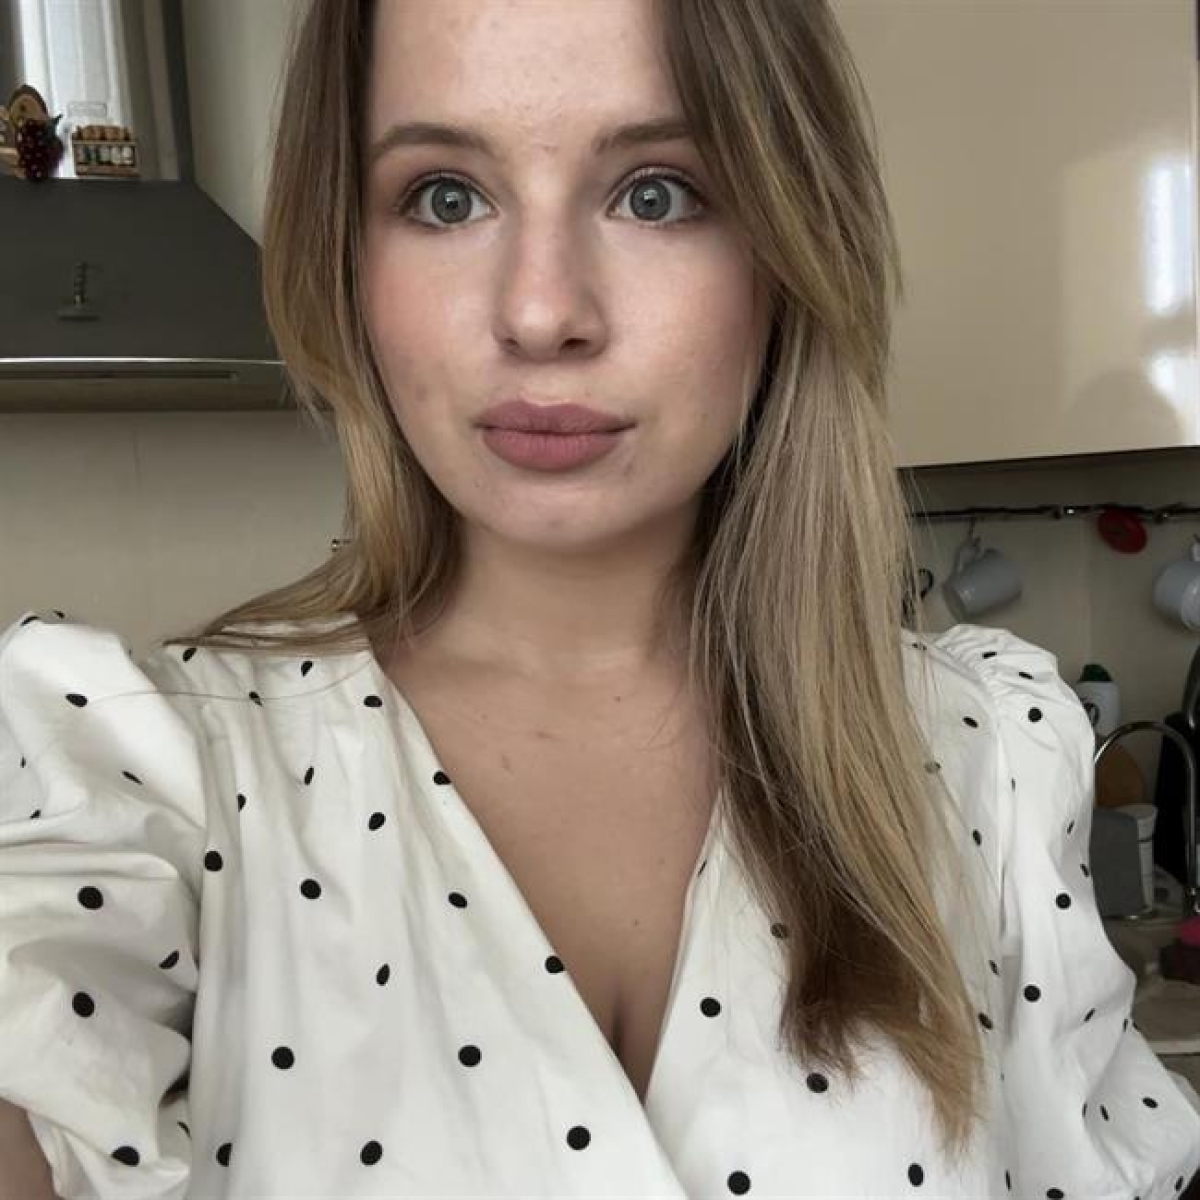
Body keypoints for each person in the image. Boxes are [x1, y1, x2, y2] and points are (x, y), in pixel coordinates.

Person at [2, 0, 1198, 1196]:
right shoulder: (143, 775)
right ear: (350, 260)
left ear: (789, 249)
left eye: (657, 194)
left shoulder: (990, 757)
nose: (541, 313)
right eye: (445, 198)